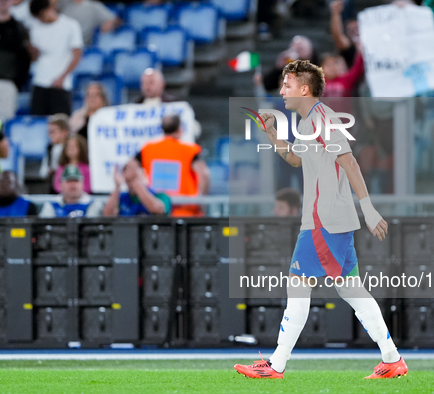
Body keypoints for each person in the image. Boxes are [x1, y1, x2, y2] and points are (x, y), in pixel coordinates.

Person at [234, 60, 407, 379]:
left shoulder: (322, 120)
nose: (281, 90)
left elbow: (350, 162)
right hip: (332, 222)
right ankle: (393, 359)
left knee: (297, 287)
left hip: (323, 223)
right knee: (353, 292)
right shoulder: (309, 122)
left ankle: (275, 364)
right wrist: (272, 133)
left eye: (287, 85)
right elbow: (295, 159)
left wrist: (368, 208)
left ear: (304, 88)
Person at [137, 114, 209, 216]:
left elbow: (131, 169)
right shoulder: (190, 151)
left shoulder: (147, 149)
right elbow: (204, 174)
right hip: (185, 212)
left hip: (156, 210)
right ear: (180, 130)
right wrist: (200, 200)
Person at [29, 0, 83, 116]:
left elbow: (77, 55)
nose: (41, 20)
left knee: (61, 123)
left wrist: (62, 78)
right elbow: (35, 58)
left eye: (41, 16)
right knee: (38, 122)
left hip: (61, 85)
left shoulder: (70, 25)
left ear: (49, 9)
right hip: (39, 82)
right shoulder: (35, 27)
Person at [102, 158, 171, 217]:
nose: (131, 183)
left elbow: (157, 210)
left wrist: (135, 181)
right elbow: (108, 214)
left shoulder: (160, 195)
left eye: (135, 177)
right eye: (129, 180)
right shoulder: (122, 198)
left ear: (143, 174)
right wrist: (117, 186)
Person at [40, 113, 70, 192]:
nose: (50, 135)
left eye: (53, 132)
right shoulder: (49, 148)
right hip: (54, 186)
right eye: (49, 132)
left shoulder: (72, 147)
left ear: (64, 132)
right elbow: (43, 172)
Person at [329, 0, 359, 68]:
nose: (356, 32)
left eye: (357, 28)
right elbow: (337, 36)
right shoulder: (350, 47)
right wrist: (336, 12)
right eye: (351, 31)